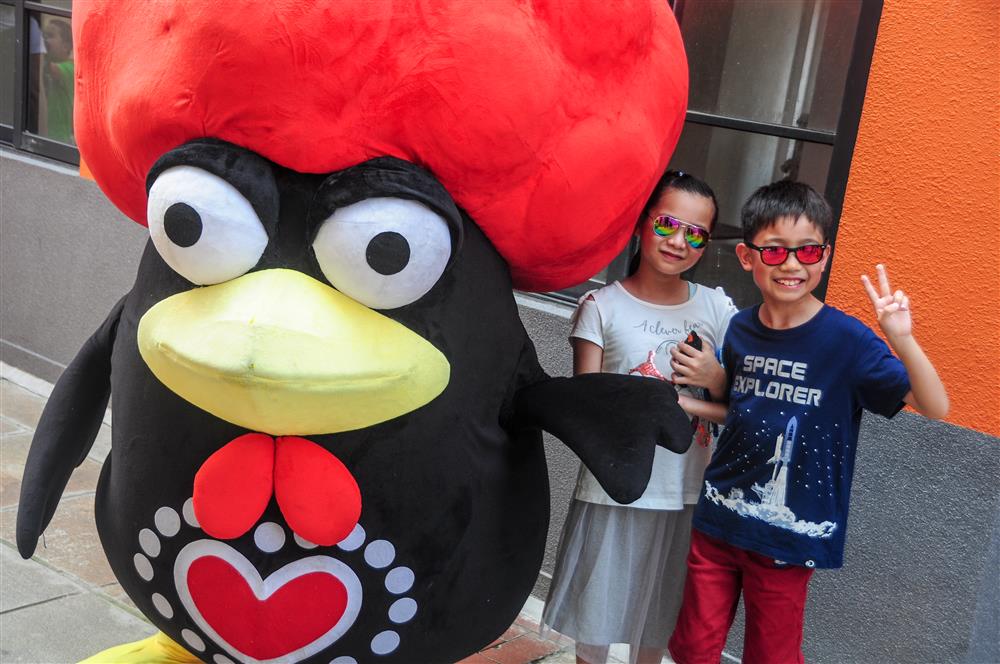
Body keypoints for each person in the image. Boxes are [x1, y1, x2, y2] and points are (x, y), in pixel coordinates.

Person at [668, 180, 949, 664]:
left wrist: (902, 339)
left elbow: (935, 405)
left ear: (824, 256)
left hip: (787, 540)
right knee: (693, 648)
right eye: (774, 251)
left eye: (807, 251)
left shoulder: (848, 341)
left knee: (772, 655)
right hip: (717, 518)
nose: (792, 265)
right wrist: (690, 404)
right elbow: (743, 412)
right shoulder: (740, 329)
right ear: (746, 256)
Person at [542, 170, 738, 664]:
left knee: (659, 625)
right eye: (668, 223)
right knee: (597, 622)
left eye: (695, 233)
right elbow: (586, 409)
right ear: (640, 223)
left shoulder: (717, 309)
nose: (678, 241)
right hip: (614, 487)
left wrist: (711, 380)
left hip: (686, 491)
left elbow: (740, 407)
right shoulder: (600, 307)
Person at [42, 18, 74, 145]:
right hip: (45, 131)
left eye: (50, 36)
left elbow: (51, 69)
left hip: (59, 136)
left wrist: (37, 47)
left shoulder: (71, 68)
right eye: (44, 36)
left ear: (66, 46)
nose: (45, 40)